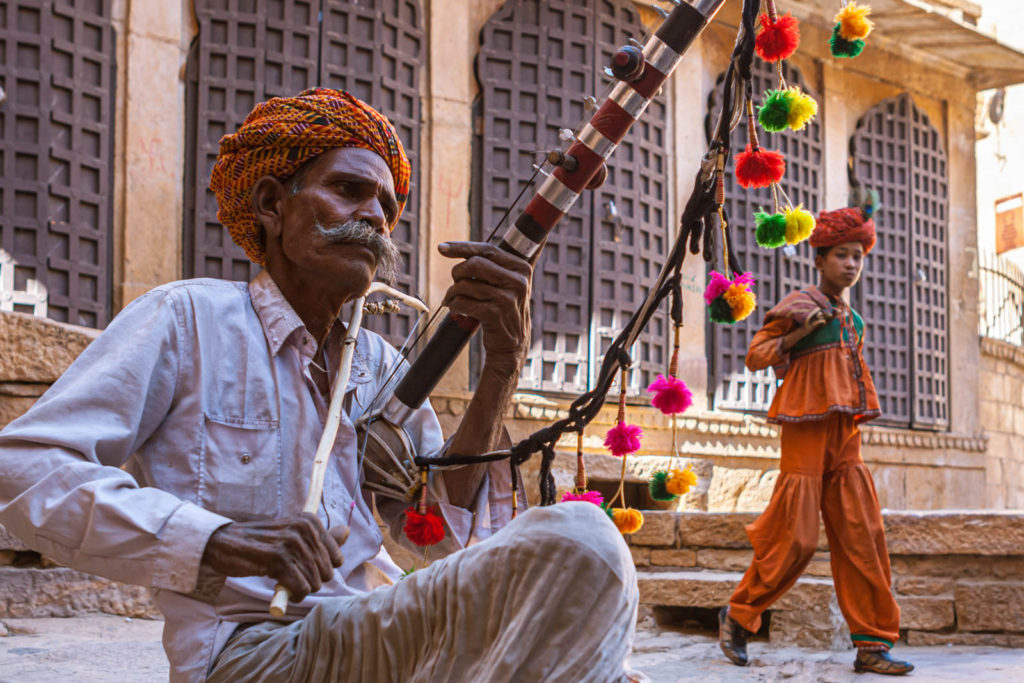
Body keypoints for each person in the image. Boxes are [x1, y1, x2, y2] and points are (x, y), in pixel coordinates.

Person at [0, 89, 639, 682]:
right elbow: (27, 466)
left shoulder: (382, 366)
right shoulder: (188, 319)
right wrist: (218, 541)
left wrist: (501, 366)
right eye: (347, 189)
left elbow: (435, 531)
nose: (374, 217)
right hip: (251, 648)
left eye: (387, 207)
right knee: (584, 542)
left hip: (376, 623)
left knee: (575, 559)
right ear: (272, 205)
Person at [717, 204, 913, 675]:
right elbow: (756, 355)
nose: (850, 264)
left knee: (863, 535)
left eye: (857, 257)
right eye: (841, 255)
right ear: (819, 260)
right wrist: (796, 336)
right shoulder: (798, 305)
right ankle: (739, 616)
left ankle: (872, 645)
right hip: (805, 431)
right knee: (797, 539)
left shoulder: (854, 321)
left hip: (844, 438)